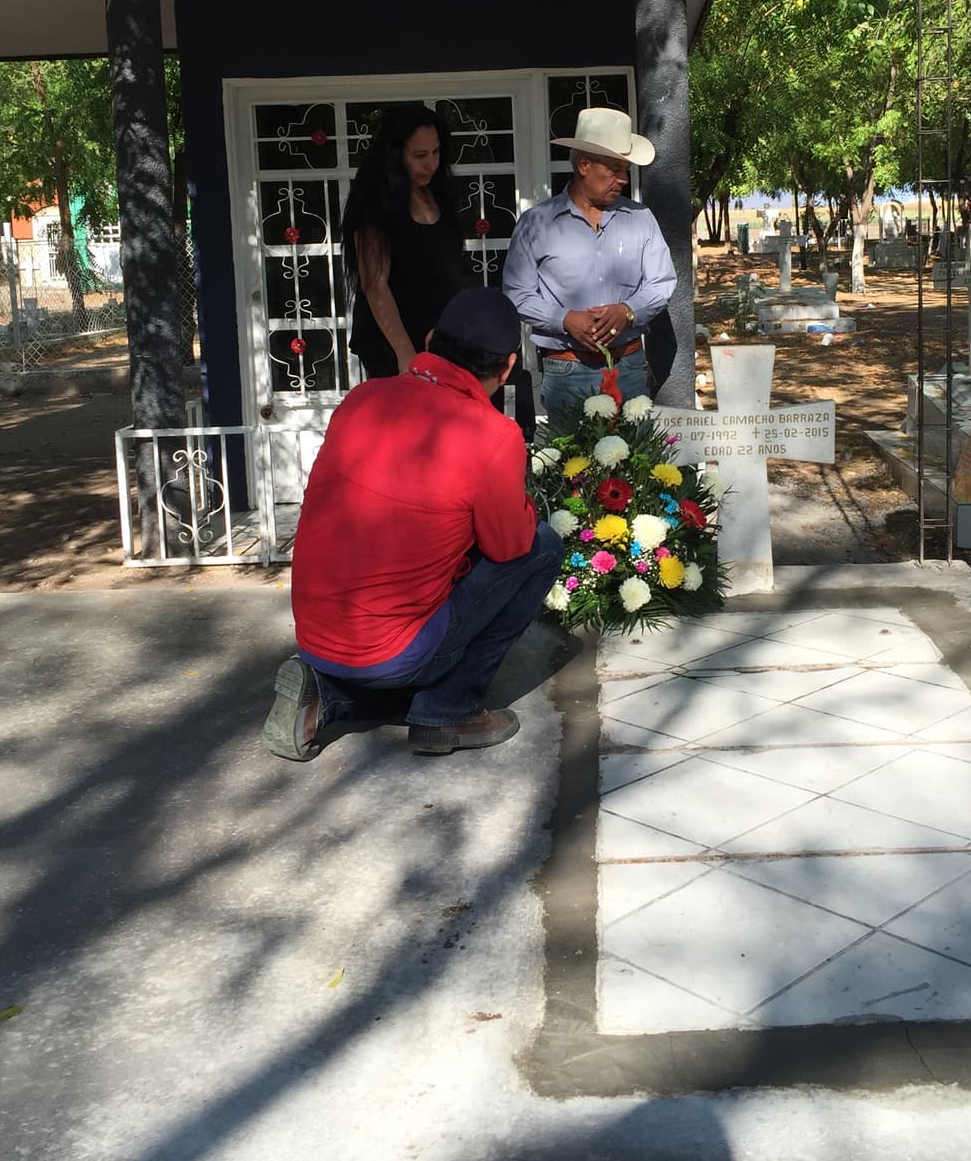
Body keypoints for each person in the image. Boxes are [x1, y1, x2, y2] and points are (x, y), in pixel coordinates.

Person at [261, 289, 562, 760]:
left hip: (316, 637)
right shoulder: (493, 435)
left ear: (428, 340)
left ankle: (323, 694)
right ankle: (447, 710)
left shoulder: (363, 397)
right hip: (394, 653)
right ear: (507, 368)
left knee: (395, 643)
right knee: (542, 545)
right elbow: (510, 547)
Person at [502, 107, 676, 432]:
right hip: (566, 370)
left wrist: (628, 311)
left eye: (625, 170)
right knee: (569, 462)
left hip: (628, 367)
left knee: (636, 462)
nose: (623, 180)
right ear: (584, 165)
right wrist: (564, 319)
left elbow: (662, 282)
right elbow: (516, 294)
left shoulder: (641, 219)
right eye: (614, 169)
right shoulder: (537, 223)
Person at [341, 102, 462, 379]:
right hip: (394, 347)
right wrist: (405, 353)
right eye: (419, 155)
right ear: (394, 155)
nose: (431, 164)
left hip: (443, 343)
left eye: (436, 152)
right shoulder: (374, 206)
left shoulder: (439, 194)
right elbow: (375, 285)